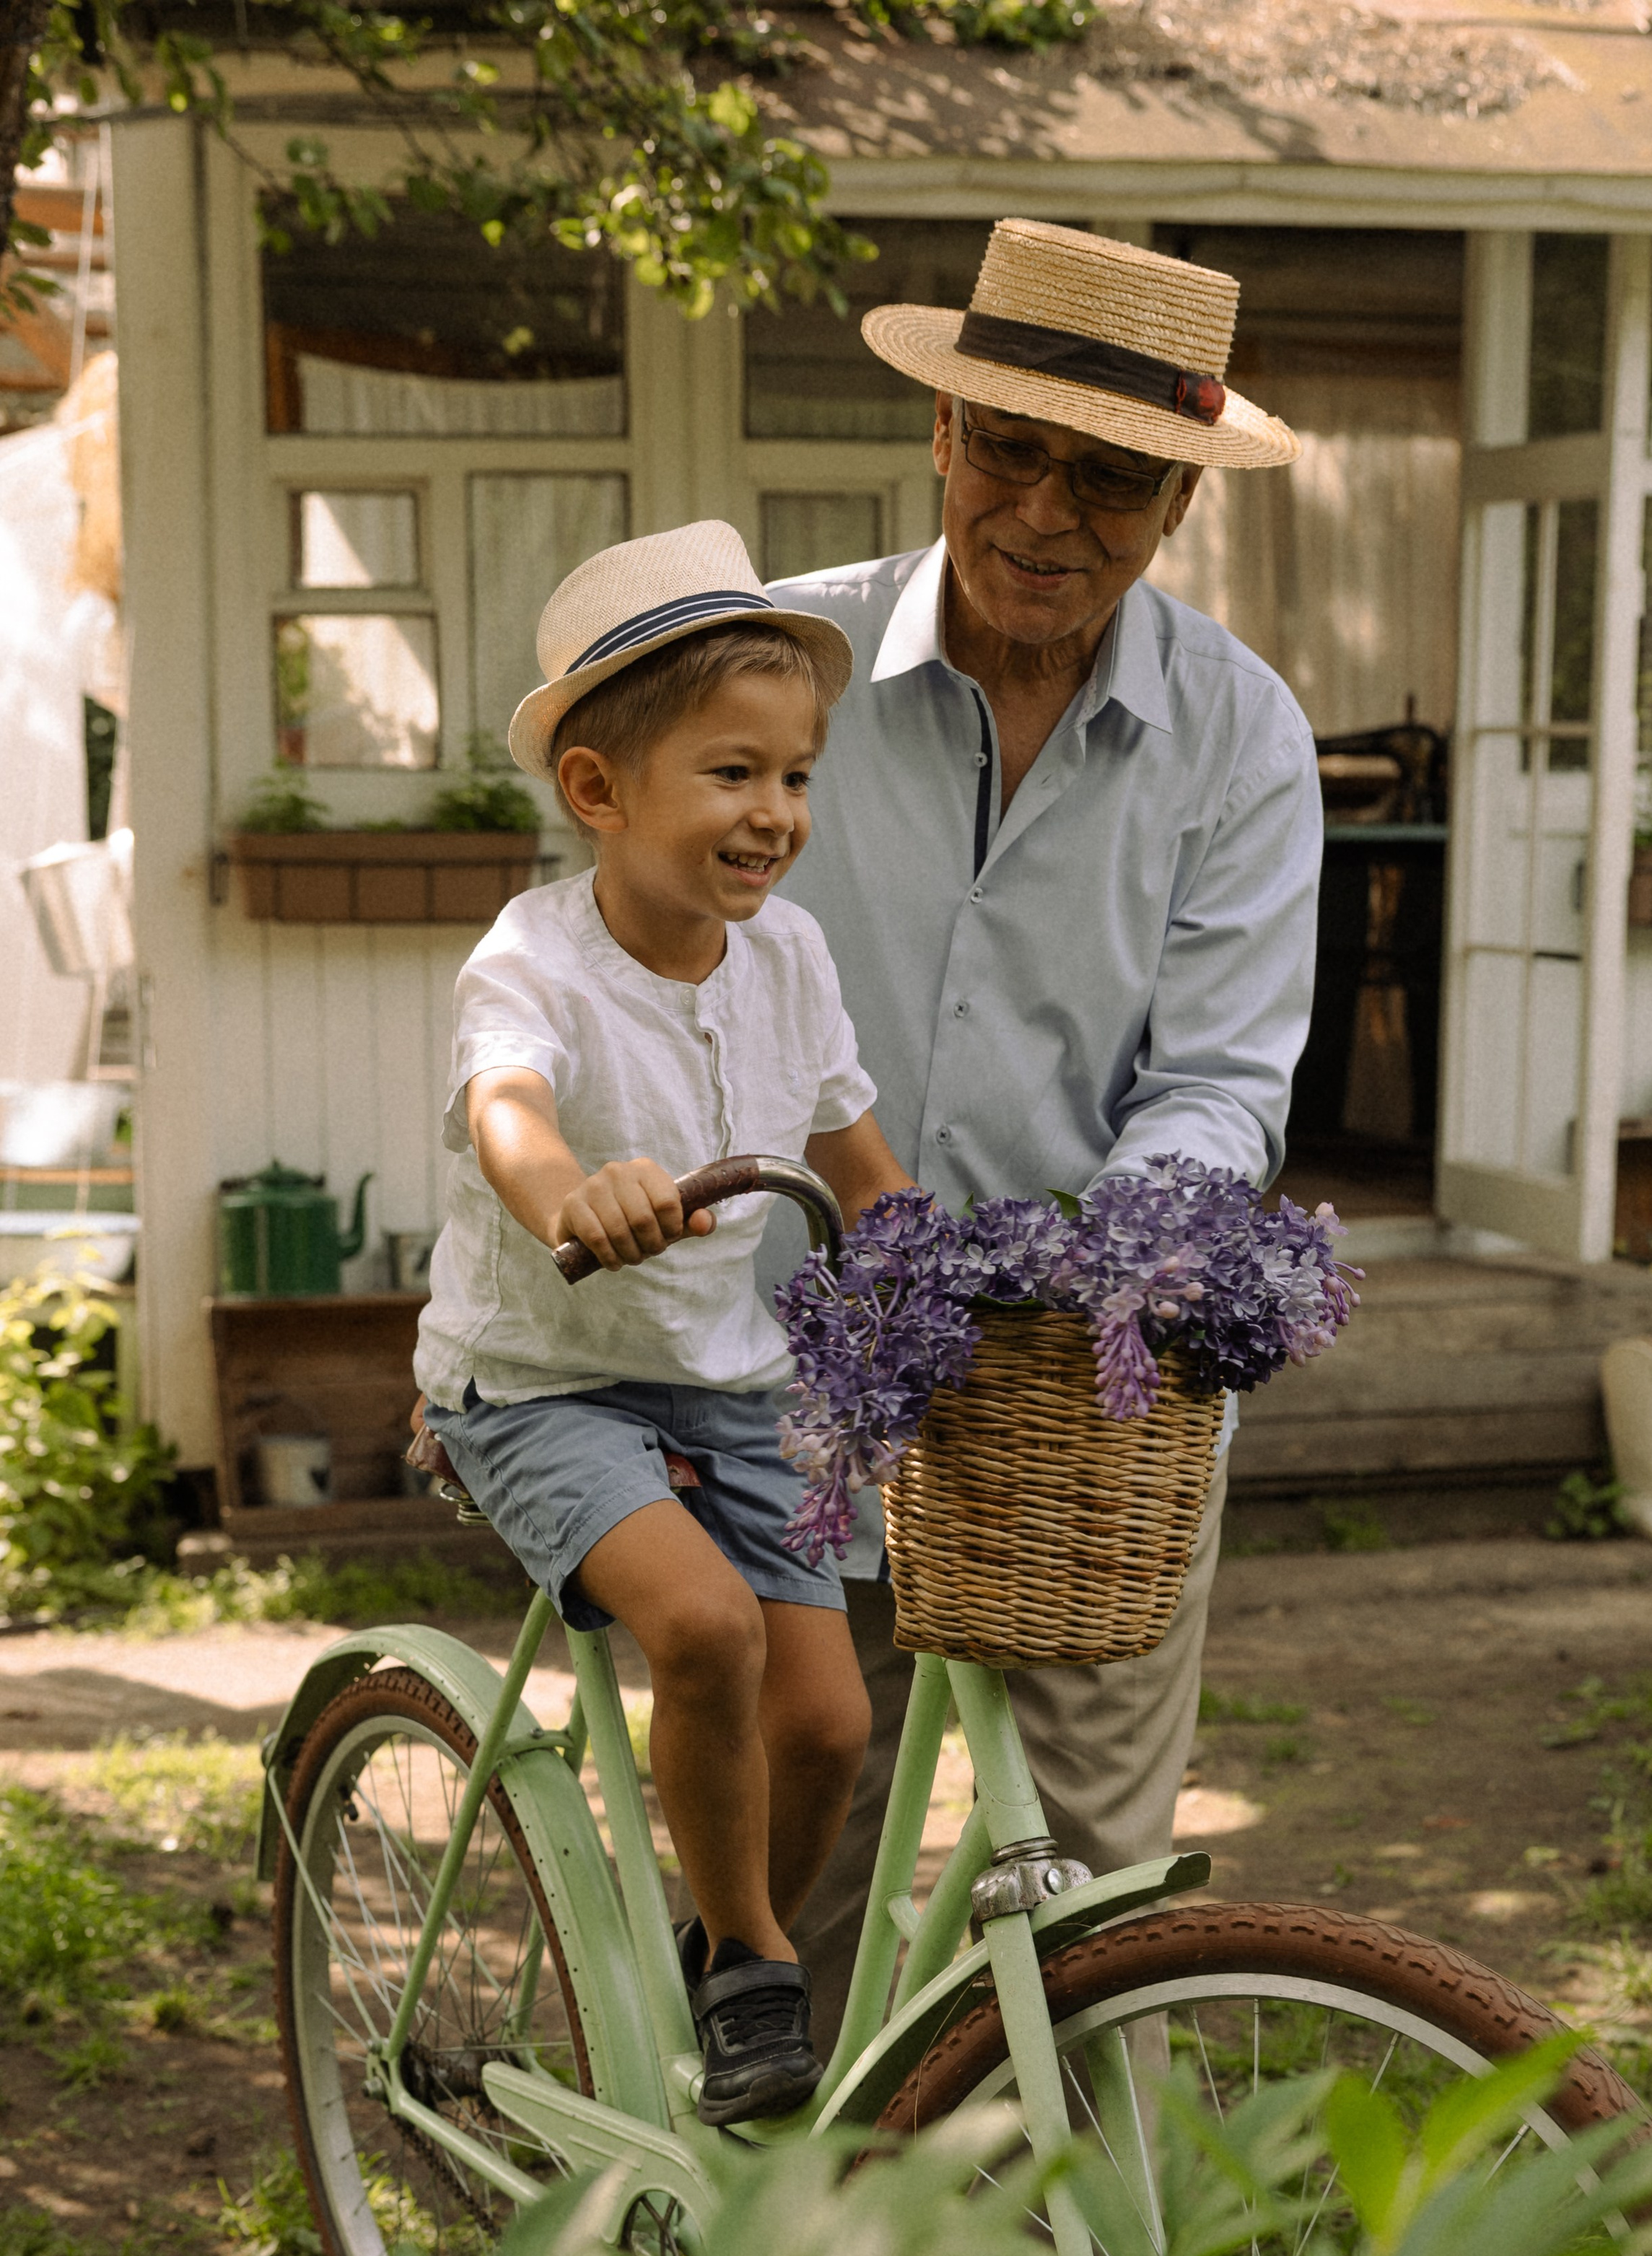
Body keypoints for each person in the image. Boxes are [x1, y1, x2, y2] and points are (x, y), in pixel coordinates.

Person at [766, 218, 1322, 2052]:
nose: (1046, 511)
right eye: (1011, 446)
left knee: (1092, 1900)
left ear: (1176, 494)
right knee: (792, 1892)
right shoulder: (783, 670)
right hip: (791, 1368)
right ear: (941, 429)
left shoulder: (1238, 736)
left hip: (1086, 1411)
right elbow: (651, 963)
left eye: (1111, 473)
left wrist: (1091, 1275)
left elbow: (1224, 1078)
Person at [412, 523, 912, 2122]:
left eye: (794, 776)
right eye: (730, 773)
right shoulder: (535, 959)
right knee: (702, 1630)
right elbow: (506, 1112)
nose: (773, 814)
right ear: (599, 791)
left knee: (829, 1714)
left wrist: (954, 1276)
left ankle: (714, 1941)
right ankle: (756, 1971)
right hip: (542, 1385)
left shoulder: (795, 959)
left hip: (725, 1378)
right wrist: (571, 1198)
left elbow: (859, 1161)